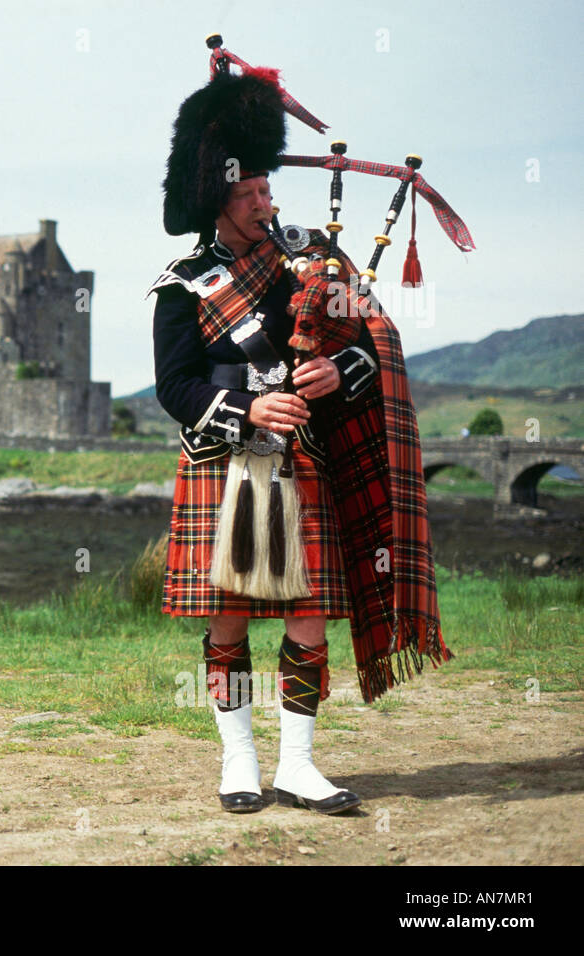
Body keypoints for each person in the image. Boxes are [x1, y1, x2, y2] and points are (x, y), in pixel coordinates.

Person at [149, 62, 451, 815]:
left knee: (307, 611)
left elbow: (373, 338)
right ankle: (239, 763)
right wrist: (247, 410)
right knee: (227, 616)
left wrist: (335, 372)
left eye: (266, 190)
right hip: (223, 463)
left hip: (301, 463)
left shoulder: (310, 259)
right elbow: (174, 388)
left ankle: (299, 765)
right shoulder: (182, 284)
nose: (265, 202)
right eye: (249, 194)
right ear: (216, 199)